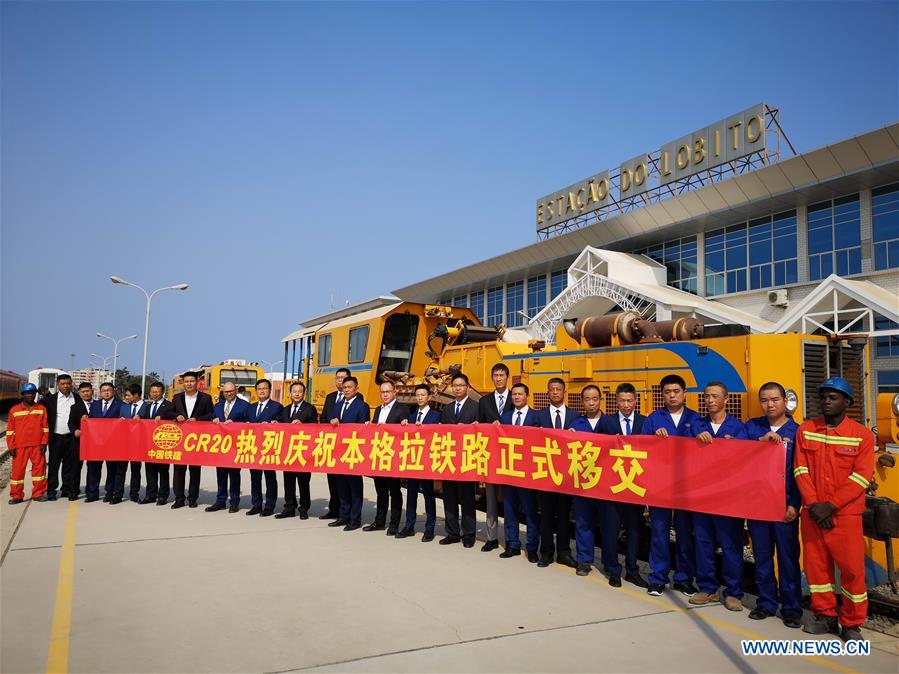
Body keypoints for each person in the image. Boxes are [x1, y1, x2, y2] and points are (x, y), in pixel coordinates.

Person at [794, 377, 874, 642]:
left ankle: (852, 624)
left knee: (852, 571)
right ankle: (825, 616)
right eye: (824, 397)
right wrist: (815, 505)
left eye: (833, 398)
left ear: (847, 402)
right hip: (813, 513)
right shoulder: (806, 430)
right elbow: (800, 469)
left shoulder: (861, 435)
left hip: (844, 516)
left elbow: (862, 477)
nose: (826, 402)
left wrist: (831, 506)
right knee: (816, 569)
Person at [745, 382, 802, 629]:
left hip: (784, 507)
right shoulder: (752, 427)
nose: (770, 404)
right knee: (763, 556)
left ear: (784, 401)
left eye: (775, 399)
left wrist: (795, 504)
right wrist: (760, 441)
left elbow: (801, 473)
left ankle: (791, 608)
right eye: (765, 400)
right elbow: (738, 456)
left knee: (788, 558)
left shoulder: (798, 431)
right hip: (759, 505)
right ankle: (766, 603)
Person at [688, 381, 748, 611]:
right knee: (703, 543)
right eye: (706, 397)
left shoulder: (738, 428)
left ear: (726, 399)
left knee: (731, 544)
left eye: (714, 396)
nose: (710, 400)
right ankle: (707, 588)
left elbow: (746, 458)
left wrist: (734, 447)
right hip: (702, 496)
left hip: (727, 498)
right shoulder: (696, 426)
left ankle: (733, 592)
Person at [641, 373, 702, 597]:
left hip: (687, 487)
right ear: (662, 395)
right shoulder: (653, 419)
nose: (672, 395)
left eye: (676, 391)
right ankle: (657, 578)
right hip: (660, 487)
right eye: (667, 392)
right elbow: (641, 451)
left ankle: (684, 579)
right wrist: (652, 439)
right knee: (659, 533)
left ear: (684, 394)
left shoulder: (696, 420)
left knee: (685, 534)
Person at [595, 383, 649, 588]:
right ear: (615, 401)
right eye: (622, 401)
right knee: (610, 529)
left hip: (635, 486)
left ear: (635, 401)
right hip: (611, 486)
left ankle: (632, 570)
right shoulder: (606, 423)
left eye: (630, 400)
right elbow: (595, 446)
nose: (626, 405)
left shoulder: (645, 423)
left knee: (635, 529)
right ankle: (613, 569)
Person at [535, 378, 577, 568]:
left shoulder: (575, 416)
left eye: (558, 389)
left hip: (567, 475)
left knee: (564, 515)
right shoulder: (539, 416)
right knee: (545, 515)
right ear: (547, 393)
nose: (555, 392)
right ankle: (546, 552)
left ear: (564, 392)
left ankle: (564, 552)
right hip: (545, 473)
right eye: (551, 389)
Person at [496, 382, 541, 563]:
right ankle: (512, 544)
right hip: (509, 472)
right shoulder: (504, 418)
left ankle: (532, 547)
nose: (516, 397)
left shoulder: (536, 417)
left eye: (520, 394)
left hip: (528, 473)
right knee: (510, 510)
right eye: (514, 394)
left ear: (526, 396)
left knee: (530, 511)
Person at [438, 373, 480, 547]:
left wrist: (471, 428)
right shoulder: (446, 409)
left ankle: (469, 535)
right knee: (449, 498)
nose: (457, 388)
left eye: (461, 385)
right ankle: (452, 533)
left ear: (467, 387)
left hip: (467, 460)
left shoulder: (476, 407)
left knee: (467, 498)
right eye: (454, 385)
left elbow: (481, 431)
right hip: (449, 459)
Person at [477, 363, 514, 552]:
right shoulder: (485, 401)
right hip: (491, 457)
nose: (498, 378)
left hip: (511, 458)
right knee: (490, 500)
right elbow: (480, 426)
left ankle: (511, 540)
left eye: (502, 375)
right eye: (496, 375)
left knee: (510, 500)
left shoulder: (516, 398)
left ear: (507, 377)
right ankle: (491, 538)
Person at [164, 371, 214, 508]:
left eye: (192, 381)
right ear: (183, 383)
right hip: (180, 440)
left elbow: (211, 414)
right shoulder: (177, 397)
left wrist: (198, 419)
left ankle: (192, 498)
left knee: (194, 471)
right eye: (186, 381)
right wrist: (177, 416)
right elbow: (167, 412)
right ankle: (179, 499)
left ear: (197, 382)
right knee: (178, 471)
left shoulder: (205, 398)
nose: (189, 384)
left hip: (196, 441)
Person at [397, 384, 439, 541]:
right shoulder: (411, 416)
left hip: (426, 461)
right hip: (412, 460)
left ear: (429, 397)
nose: (420, 397)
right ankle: (409, 526)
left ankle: (430, 528)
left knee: (428, 494)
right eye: (418, 395)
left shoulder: (436, 416)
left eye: (423, 395)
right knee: (411, 494)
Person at [328, 376, 370, 531]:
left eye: (349, 387)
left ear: (356, 388)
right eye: (344, 387)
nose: (346, 390)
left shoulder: (362, 406)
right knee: (341, 486)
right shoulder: (337, 405)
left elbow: (363, 430)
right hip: (339, 452)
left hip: (353, 452)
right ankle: (343, 516)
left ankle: (355, 519)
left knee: (354, 487)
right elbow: (330, 425)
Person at [366, 380, 407, 535]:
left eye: (387, 392)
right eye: (382, 392)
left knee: (395, 492)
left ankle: (394, 524)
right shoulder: (377, 410)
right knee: (381, 491)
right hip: (379, 455)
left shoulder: (402, 409)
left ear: (394, 392)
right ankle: (379, 521)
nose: (385, 395)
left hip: (393, 457)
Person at [207, 382, 250, 513]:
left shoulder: (245, 406)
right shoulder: (218, 406)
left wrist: (236, 424)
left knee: (234, 475)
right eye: (226, 392)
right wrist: (213, 420)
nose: (229, 394)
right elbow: (211, 420)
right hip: (220, 446)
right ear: (223, 392)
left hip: (236, 445)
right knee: (221, 474)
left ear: (236, 390)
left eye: (231, 391)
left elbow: (249, 422)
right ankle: (220, 501)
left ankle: (234, 502)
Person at [277, 381, 317, 519]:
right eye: (294, 391)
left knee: (303, 482)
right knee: (288, 481)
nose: (297, 394)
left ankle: (304, 508)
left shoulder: (309, 408)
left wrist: (303, 425)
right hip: (288, 452)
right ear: (290, 394)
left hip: (303, 452)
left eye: (300, 391)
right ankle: (289, 507)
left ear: (304, 393)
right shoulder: (285, 409)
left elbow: (315, 427)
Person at [246, 379, 284, 516]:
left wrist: (275, 423)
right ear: (256, 391)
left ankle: (269, 505)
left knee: (269, 477)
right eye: (259, 389)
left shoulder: (277, 407)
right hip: (254, 448)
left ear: (270, 390)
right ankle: (256, 504)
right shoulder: (251, 407)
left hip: (269, 448)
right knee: (255, 477)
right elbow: (245, 423)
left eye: (265, 388)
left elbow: (282, 423)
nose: (262, 391)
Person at [7, 383, 49, 504]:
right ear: (23, 395)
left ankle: (38, 493)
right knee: (17, 472)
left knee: (39, 471)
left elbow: (45, 428)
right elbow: (10, 431)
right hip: (20, 446)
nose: (31, 395)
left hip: (37, 445)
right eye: (28, 393)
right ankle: (17, 495)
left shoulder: (41, 409)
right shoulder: (14, 410)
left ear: (36, 393)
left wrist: (44, 443)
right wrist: (11, 446)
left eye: (33, 393)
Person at [319, 368, 353, 519]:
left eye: (343, 378)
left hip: (347, 446)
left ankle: (347, 512)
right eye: (338, 378)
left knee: (347, 481)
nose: (340, 380)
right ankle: (334, 510)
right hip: (331, 446)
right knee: (332, 480)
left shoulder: (357, 397)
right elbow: (325, 418)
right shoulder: (330, 397)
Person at [85, 382, 122, 503]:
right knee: (93, 468)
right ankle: (92, 493)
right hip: (96, 443)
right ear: (100, 392)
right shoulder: (94, 405)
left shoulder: (121, 405)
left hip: (113, 443)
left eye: (109, 390)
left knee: (112, 470)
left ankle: (110, 493)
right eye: (103, 390)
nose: (106, 392)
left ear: (113, 391)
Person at [140, 382, 174, 505]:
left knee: (163, 471)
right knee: (150, 470)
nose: (154, 394)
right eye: (152, 392)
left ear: (162, 392)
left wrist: (163, 417)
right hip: (149, 444)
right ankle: (150, 494)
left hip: (162, 443)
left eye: (157, 392)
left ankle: (163, 496)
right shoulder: (148, 406)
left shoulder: (169, 405)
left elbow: (173, 419)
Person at [43, 373, 76, 501]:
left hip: (71, 437)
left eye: (68, 383)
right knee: (53, 465)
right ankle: (51, 490)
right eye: (63, 384)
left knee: (68, 464)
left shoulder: (77, 399)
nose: (66, 386)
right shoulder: (50, 400)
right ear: (58, 385)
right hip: (56, 437)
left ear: (71, 384)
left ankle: (66, 489)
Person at [113, 384, 147, 504]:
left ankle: (134, 494)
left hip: (138, 444)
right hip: (124, 443)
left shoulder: (146, 407)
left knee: (135, 471)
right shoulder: (124, 408)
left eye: (128, 395)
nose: (126, 397)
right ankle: (117, 495)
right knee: (120, 470)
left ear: (136, 395)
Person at [66, 382, 94, 500]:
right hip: (78, 442)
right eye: (83, 392)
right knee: (75, 468)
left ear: (92, 391)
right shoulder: (75, 407)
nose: (86, 393)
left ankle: (91, 492)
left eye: (88, 391)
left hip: (94, 443)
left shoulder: (98, 405)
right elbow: (70, 423)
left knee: (92, 468)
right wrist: (75, 430)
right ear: (79, 393)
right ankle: (73, 492)